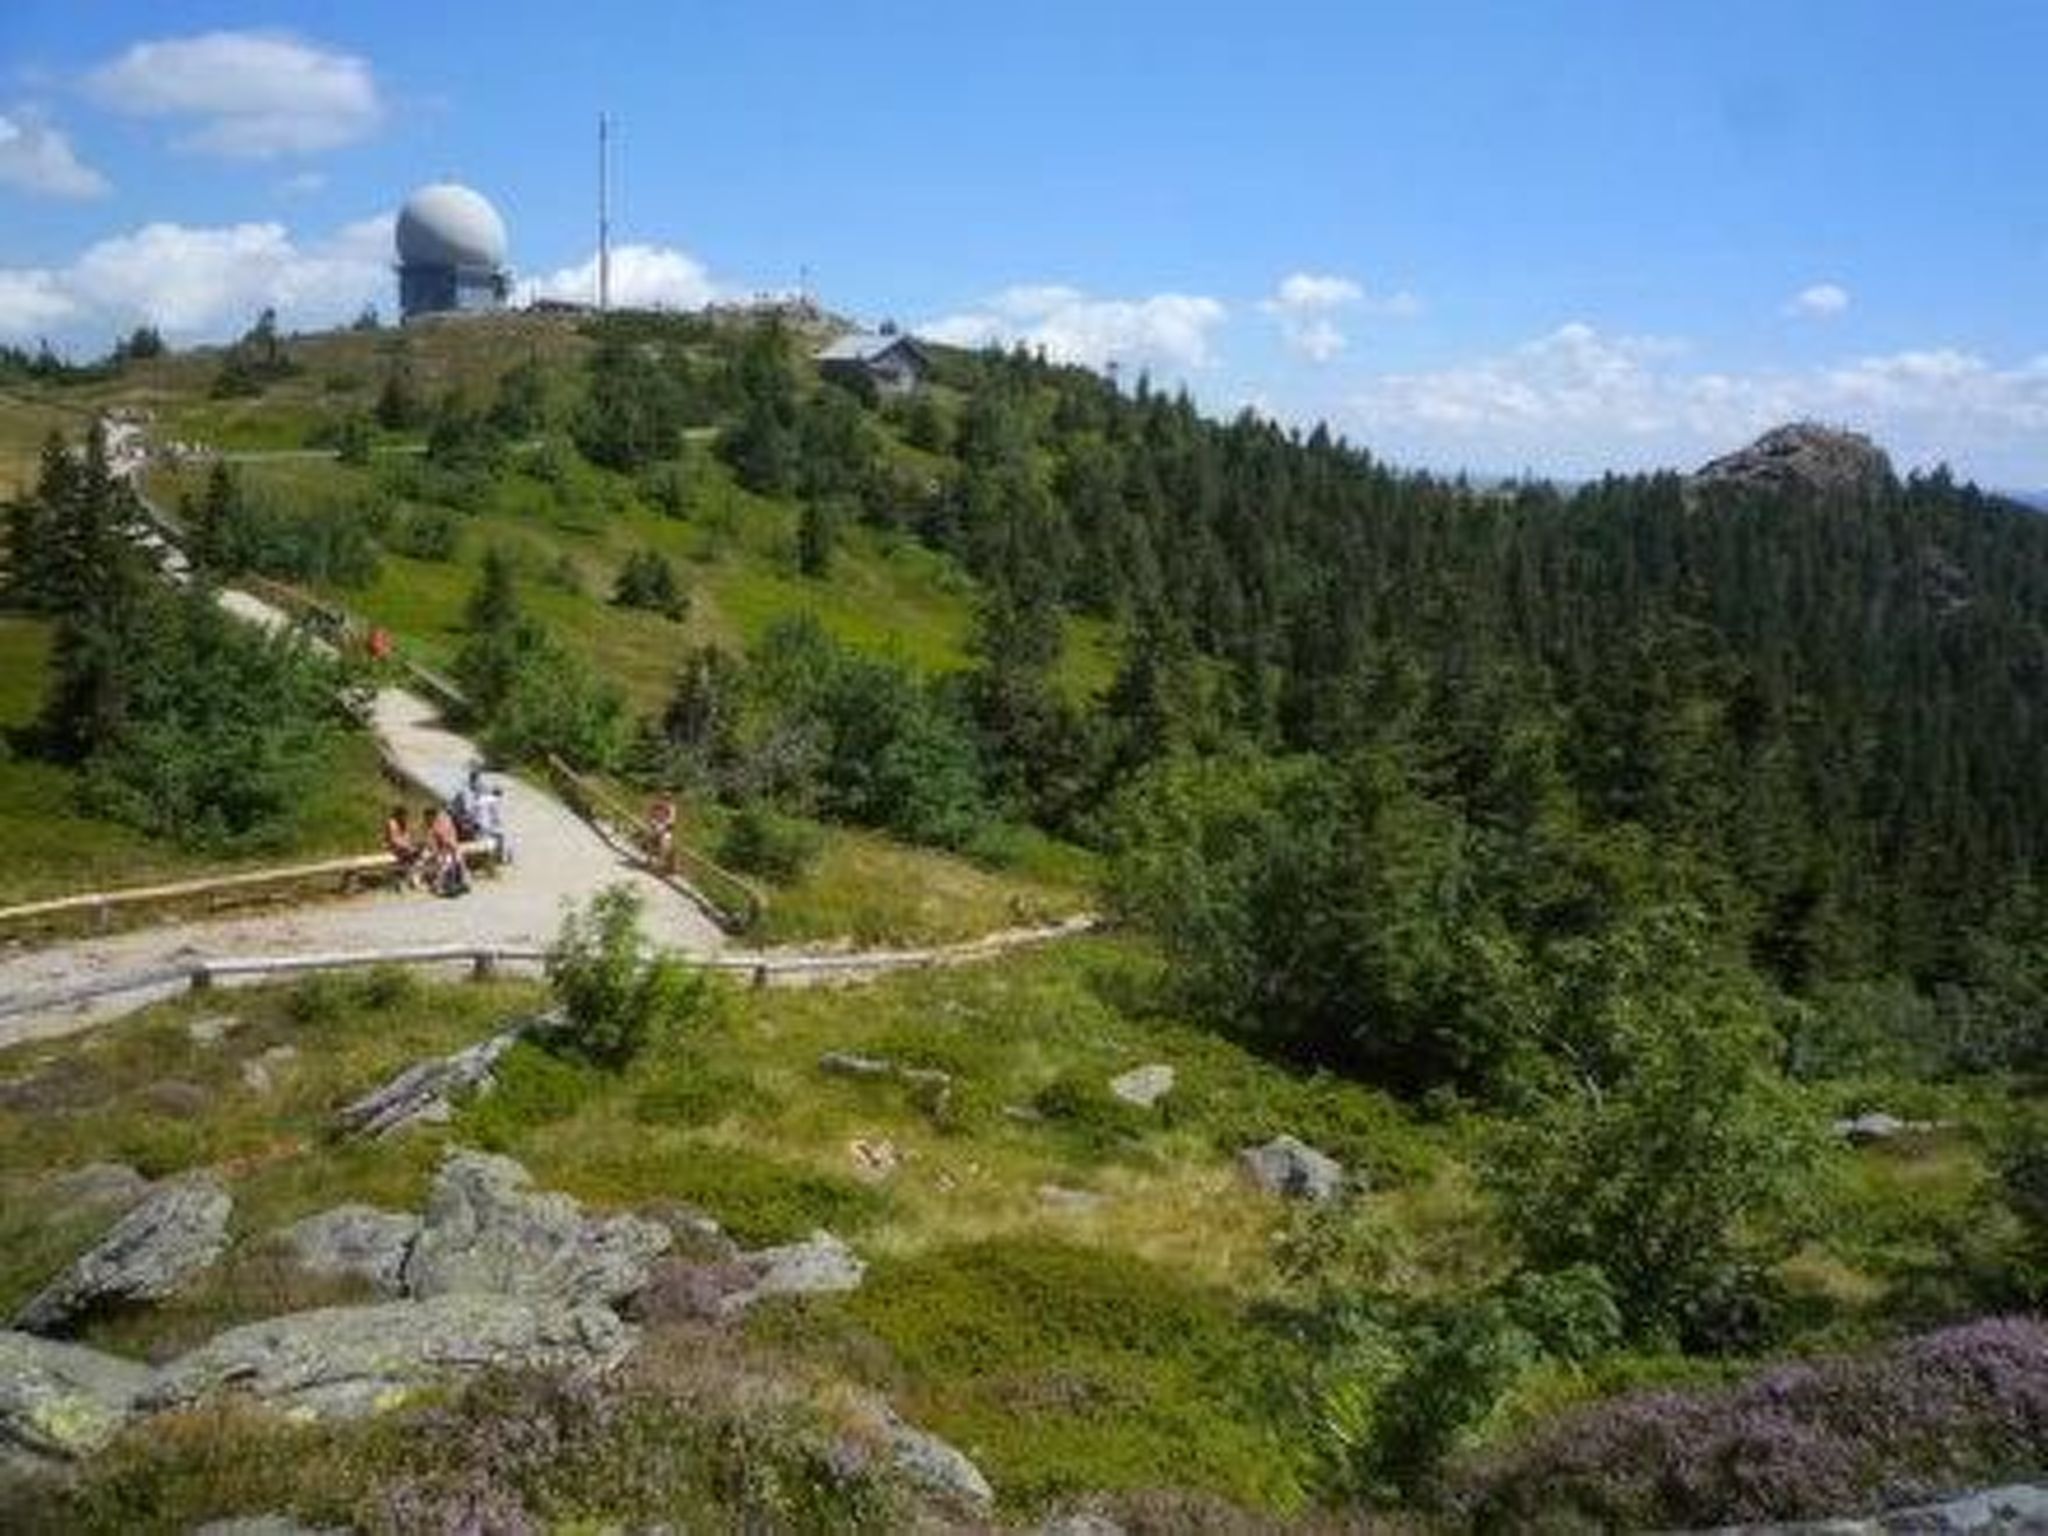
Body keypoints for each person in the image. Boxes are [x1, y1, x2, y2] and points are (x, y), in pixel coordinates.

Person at [428, 803, 470, 896]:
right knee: (448, 864)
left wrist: (452, 847)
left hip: (446, 850)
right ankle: (443, 886)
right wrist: (449, 847)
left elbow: (446, 837)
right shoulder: (438, 823)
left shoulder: (442, 821)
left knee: (456, 862)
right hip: (441, 851)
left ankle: (456, 883)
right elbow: (441, 839)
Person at [382, 804, 422, 888]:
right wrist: (408, 846)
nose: (405, 817)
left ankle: (410, 878)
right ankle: (407, 879)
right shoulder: (392, 823)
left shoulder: (404, 824)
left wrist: (412, 845)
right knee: (410, 855)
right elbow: (393, 840)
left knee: (416, 854)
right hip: (392, 847)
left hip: (402, 848)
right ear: (398, 815)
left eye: (405, 816)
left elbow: (408, 838)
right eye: (403, 815)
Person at [647, 792, 677, 875]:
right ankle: (649, 860)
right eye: (664, 797)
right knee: (649, 836)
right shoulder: (656, 806)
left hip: (666, 829)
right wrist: (654, 823)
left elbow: (671, 821)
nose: (665, 799)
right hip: (655, 827)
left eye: (667, 798)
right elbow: (651, 817)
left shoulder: (671, 808)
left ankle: (660, 864)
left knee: (664, 843)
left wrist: (663, 827)